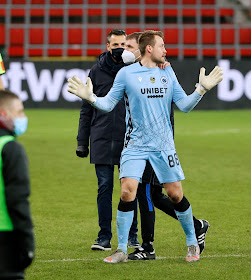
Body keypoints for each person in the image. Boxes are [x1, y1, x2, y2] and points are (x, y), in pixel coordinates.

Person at [67, 30, 223, 263]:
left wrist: (202, 89)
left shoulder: (167, 71)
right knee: (127, 191)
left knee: (174, 193)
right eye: (162, 45)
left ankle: (192, 243)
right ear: (149, 48)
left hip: (163, 146)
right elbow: (108, 104)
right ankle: (121, 249)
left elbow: (185, 105)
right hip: (135, 144)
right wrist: (90, 98)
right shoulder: (126, 74)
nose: (165, 50)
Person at [122, 32, 210, 261]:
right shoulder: (124, 73)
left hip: (156, 143)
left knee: (150, 193)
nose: (125, 50)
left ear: (143, 49)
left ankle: (148, 246)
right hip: (129, 140)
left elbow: (180, 103)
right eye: (122, 46)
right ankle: (195, 226)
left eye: (129, 46)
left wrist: (200, 89)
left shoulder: (161, 70)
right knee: (143, 192)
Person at [76, 29, 139, 251]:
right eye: (115, 45)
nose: (120, 49)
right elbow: (86, 108)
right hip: (101, 137)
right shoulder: (96, 71)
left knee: (130, 189)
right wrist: (82, 141)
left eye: (124, 44)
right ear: (107, 46)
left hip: (129, 139)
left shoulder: (135, 70)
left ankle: (132, 236)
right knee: (104, 188)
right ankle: (104, 236)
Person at [0, 89, 34, 279]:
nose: (23, 117)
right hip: (6, 237)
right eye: (19, 111)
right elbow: (17, 200)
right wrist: (27, 243)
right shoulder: (10, 148)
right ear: (4, 114)